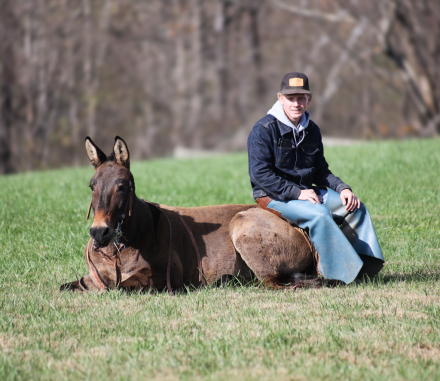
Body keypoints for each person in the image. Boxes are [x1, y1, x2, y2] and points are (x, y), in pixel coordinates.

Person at [247, 72, 384, 283]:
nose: (296, 103)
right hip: (273, 196)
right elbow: (261, 175)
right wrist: (297, 193)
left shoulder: (311, 130)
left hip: (307, 190)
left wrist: (342, 189)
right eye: (290, 98)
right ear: (280, 98)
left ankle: (366, 270)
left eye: (301, 98)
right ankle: (339, 276)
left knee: (355, 207)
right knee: (320, 214)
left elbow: (321, 171)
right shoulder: (263, 130)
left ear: (308, 99)